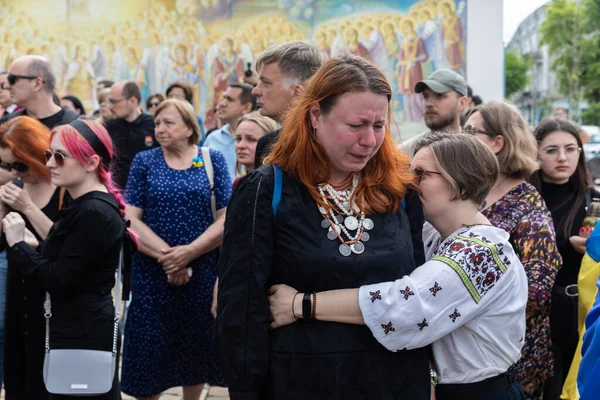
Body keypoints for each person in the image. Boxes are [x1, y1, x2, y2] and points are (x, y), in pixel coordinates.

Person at [216, 55, 430, 399]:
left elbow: (417, 292)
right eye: (356, 125)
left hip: (394, 381)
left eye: (379, 126)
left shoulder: (399, 190)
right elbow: (241, 312)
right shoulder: (267, 190)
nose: (369, 141)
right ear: (315, 116)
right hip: (301, 382)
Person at [268, 133, 529, 400]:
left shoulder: (481, 251)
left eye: (421, 174)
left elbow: (405, 305)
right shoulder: (435, 234)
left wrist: (300, 304)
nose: (408, 182)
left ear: (459, 182)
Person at [3, 119, 132, 400]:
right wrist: (37, 244)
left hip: (82, 335)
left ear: (90, 163)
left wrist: (18, 246)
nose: (49, 164)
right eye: (49, 155)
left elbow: (58, 279)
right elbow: (76, 260)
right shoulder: (85, 205)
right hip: (77, 330)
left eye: (60, 157)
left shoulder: (93, 211)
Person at [121, 99, 230, 400]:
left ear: (188, 127)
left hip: (202, 269)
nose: (160, 129)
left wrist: (190, 253)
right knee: (148, 349)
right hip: (152, 270)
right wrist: (171, 259)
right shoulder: (145, 161)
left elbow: (225, 218)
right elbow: (130, 217)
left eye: (168, 122)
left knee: (194, 343)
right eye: (157, 123)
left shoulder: (212, 159)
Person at [465, 101, 562, 400]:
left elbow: (536, 290)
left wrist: (464, 306)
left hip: (511, 360)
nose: (461, 136)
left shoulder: (527, 204)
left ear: (497, 143)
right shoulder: (470, 189)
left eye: (470, 131)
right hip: (466, 355)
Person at [527, 117, 599, 398]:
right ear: (536, 153)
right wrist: (567, 246)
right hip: (541, 312)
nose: (562, 157)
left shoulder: (593, 199)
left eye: (570, 149)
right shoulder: (528, 198)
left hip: (584, 308)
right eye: (552, 150)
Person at [0, 116, 64, 400]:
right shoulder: (14, 188)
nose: (15, 172)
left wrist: (27, 207)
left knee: (46, 378)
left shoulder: (64, 187)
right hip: (19, 291)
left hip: (53, 295)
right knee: (17, 374)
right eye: (6, 166)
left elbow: (67, 244)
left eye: (20, 165)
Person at [252, 41, 326, 168]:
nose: (255, 91)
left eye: (266, 83)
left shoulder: (328, 146)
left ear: (297, 92)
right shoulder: (266, 145)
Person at [401, 68, 468, 154]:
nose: (428, 104)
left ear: (462, 103)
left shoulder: (476, 153)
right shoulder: (406, 153)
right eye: (425, 96)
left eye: (439, 96)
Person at [105, 80, 158, 190]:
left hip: (148, 190)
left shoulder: (154, 126)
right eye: (109, 101)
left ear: (132, 101)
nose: (110, 107)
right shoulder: (109, 126)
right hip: (117, 192)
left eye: (114, 102)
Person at [0, 55, 78, 128]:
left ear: (37, 84)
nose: (6, 86)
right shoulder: (7, 124)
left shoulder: (76, 126)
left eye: (12, 79)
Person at [203, 83, 257, 180]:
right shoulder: (212, 137)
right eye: (223, 98)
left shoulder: (260, 137)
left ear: (246, 108)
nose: (222, 104)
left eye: (230, 99)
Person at [233, 111, 278, 188]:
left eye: (251, 139)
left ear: (269, 142)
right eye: (238, 139)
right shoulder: (238, 182)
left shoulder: (277, 184)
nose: (241, 145)